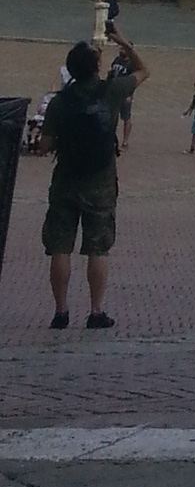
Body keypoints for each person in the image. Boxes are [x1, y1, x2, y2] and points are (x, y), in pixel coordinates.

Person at [41, 31, 146, 330]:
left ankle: (60, 312)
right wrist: (126, 44)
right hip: (100, 179)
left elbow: (45, 145)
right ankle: (95, 311)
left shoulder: (59, 103)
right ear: (96, 67)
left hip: (66, 178)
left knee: (60, 246)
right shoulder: (111, 91)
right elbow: (144, 71)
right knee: (98, 248)